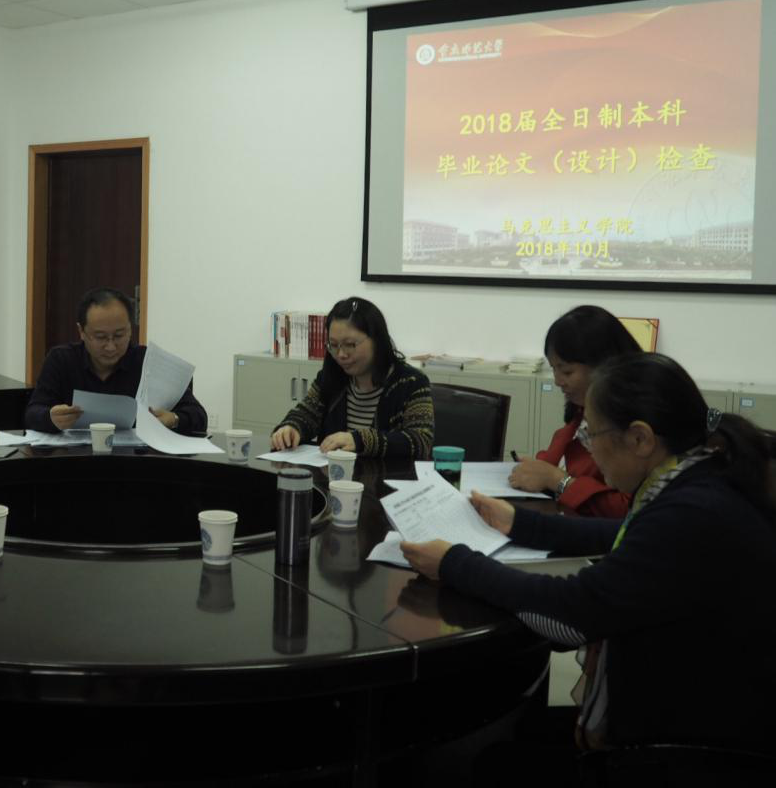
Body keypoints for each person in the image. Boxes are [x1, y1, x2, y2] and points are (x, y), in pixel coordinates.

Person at [401, 353, 776, 753]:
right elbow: (624, 534)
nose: (589, 450)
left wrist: (455, 563)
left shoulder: (691, 513)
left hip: (690, 744)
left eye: (591, 435)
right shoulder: (701, 475)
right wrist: (520, 523)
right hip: (708, 708)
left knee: (496, 753)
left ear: (640, 438)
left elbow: (572, 615)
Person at [508, 305, 640, 516]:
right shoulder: (582, 410)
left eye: (567, 371)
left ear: (603, 365)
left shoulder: (632, 425)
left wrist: (556, 480)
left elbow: (629, 508)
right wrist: (537, 469)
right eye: (554, 369)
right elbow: (556, 458)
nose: (558, 381)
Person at [25, 287, 207, 435]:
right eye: (100, 337)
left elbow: (198, 416)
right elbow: (32, 413)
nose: (111, 347)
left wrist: (174, 419)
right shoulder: (61, 360)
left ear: (130, 330)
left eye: (119, 335)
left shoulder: (149, 362)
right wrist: (50, 418)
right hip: (75, 459)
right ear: (81, 331)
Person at [270, 297, 433, 458]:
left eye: (350, 344)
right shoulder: (332, 377)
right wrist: (291, 428)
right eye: (333, 345)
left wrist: (359, 440)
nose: (341, 354)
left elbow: (421, 442)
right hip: (332, 473)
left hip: (386, 474)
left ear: (376, 340)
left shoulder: (411, 382)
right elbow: (306, 414)